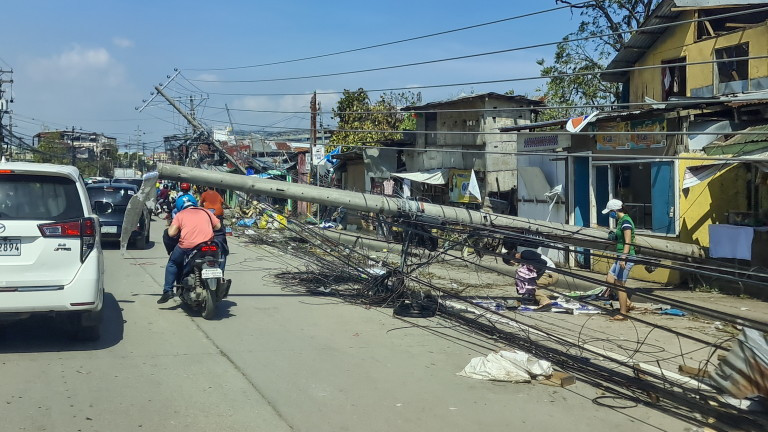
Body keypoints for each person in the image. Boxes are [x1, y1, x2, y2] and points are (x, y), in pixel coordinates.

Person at [158, 198, 222, 304]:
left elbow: (171, 233)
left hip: (187, 247)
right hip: (208, 245)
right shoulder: (206, 212)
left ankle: (167, 291)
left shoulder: (180, 214)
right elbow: (218, 226)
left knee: (173, 263)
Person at [601, 199, 636, 321]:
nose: (610, 215)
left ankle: (623, 313)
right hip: (620, 255)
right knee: (610, 279)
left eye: (610, 212)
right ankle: (627, 303)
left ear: (615, 211)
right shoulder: (621, 221)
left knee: (620, 284)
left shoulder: (626, 221)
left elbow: (628, 241)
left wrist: (623, 258)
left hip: (626, 256)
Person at [502, 241, 554, 310]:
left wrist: (536, 276)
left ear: (512, 261)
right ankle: (533, 299)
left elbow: (544, 263)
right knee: (523, 282)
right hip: (547, 273)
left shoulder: (525, 254)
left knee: (529, 286)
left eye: (511, 264)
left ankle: (545, 301)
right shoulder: (524, 258)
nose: (514, 264)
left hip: (549, 274)